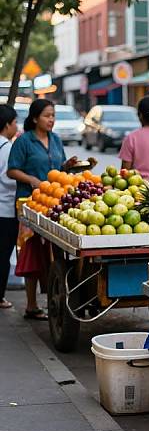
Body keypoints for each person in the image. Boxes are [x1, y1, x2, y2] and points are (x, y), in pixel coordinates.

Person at [7, 99, 78, 320]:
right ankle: (31, 304)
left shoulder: (56, 139)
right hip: (29, 203)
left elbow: (59, 168)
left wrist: (68, 167)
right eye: (47, 115)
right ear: (35, 117)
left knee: (53, 252)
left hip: (53, 203)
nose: (51, 120)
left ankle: (53, 299)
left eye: (53, 115)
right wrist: (31, 180)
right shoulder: (24, 141)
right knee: (31, 251)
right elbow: (12, 170)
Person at [0, 105, 19, 309]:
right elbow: (9, 178)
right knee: (3, 255)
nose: (16, 126)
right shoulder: (6, 148)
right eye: (14, 122)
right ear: (7, 125)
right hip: (4, 209)